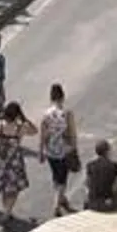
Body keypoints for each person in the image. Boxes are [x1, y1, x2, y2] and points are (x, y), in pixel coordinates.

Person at [0, 100, 38, 222]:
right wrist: (24, 118)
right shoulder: (20, 127)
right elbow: (35, 131)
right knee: (13, 189)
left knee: (4, 188)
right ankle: (7, 212)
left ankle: (6, 210)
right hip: (14, 163)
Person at [37, 84, 80, 216]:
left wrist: (40, 151)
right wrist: (74, 148)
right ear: (63, 96)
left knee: (56, 175)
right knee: (63, 178)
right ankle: (56, 203)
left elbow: (43, 134)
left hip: (51, 150)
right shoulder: (67, 113)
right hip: (64, 149)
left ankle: (62, 198)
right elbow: (72, 133)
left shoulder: (46, 114)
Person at [85, 138, 117, 211]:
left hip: (93, 204)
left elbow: (88, 184)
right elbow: (116, 186)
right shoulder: (115, 165)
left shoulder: (90, 165)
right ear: (108, 151)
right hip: (108, 203)